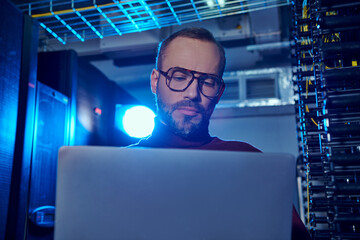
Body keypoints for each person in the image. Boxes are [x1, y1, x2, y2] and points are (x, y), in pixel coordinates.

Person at [133, 27, 311, 240]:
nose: (192, 93)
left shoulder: (247, 161)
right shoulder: (119, 166)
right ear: (155, 81)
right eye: (179, 76)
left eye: (208, 82)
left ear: (219, 92)